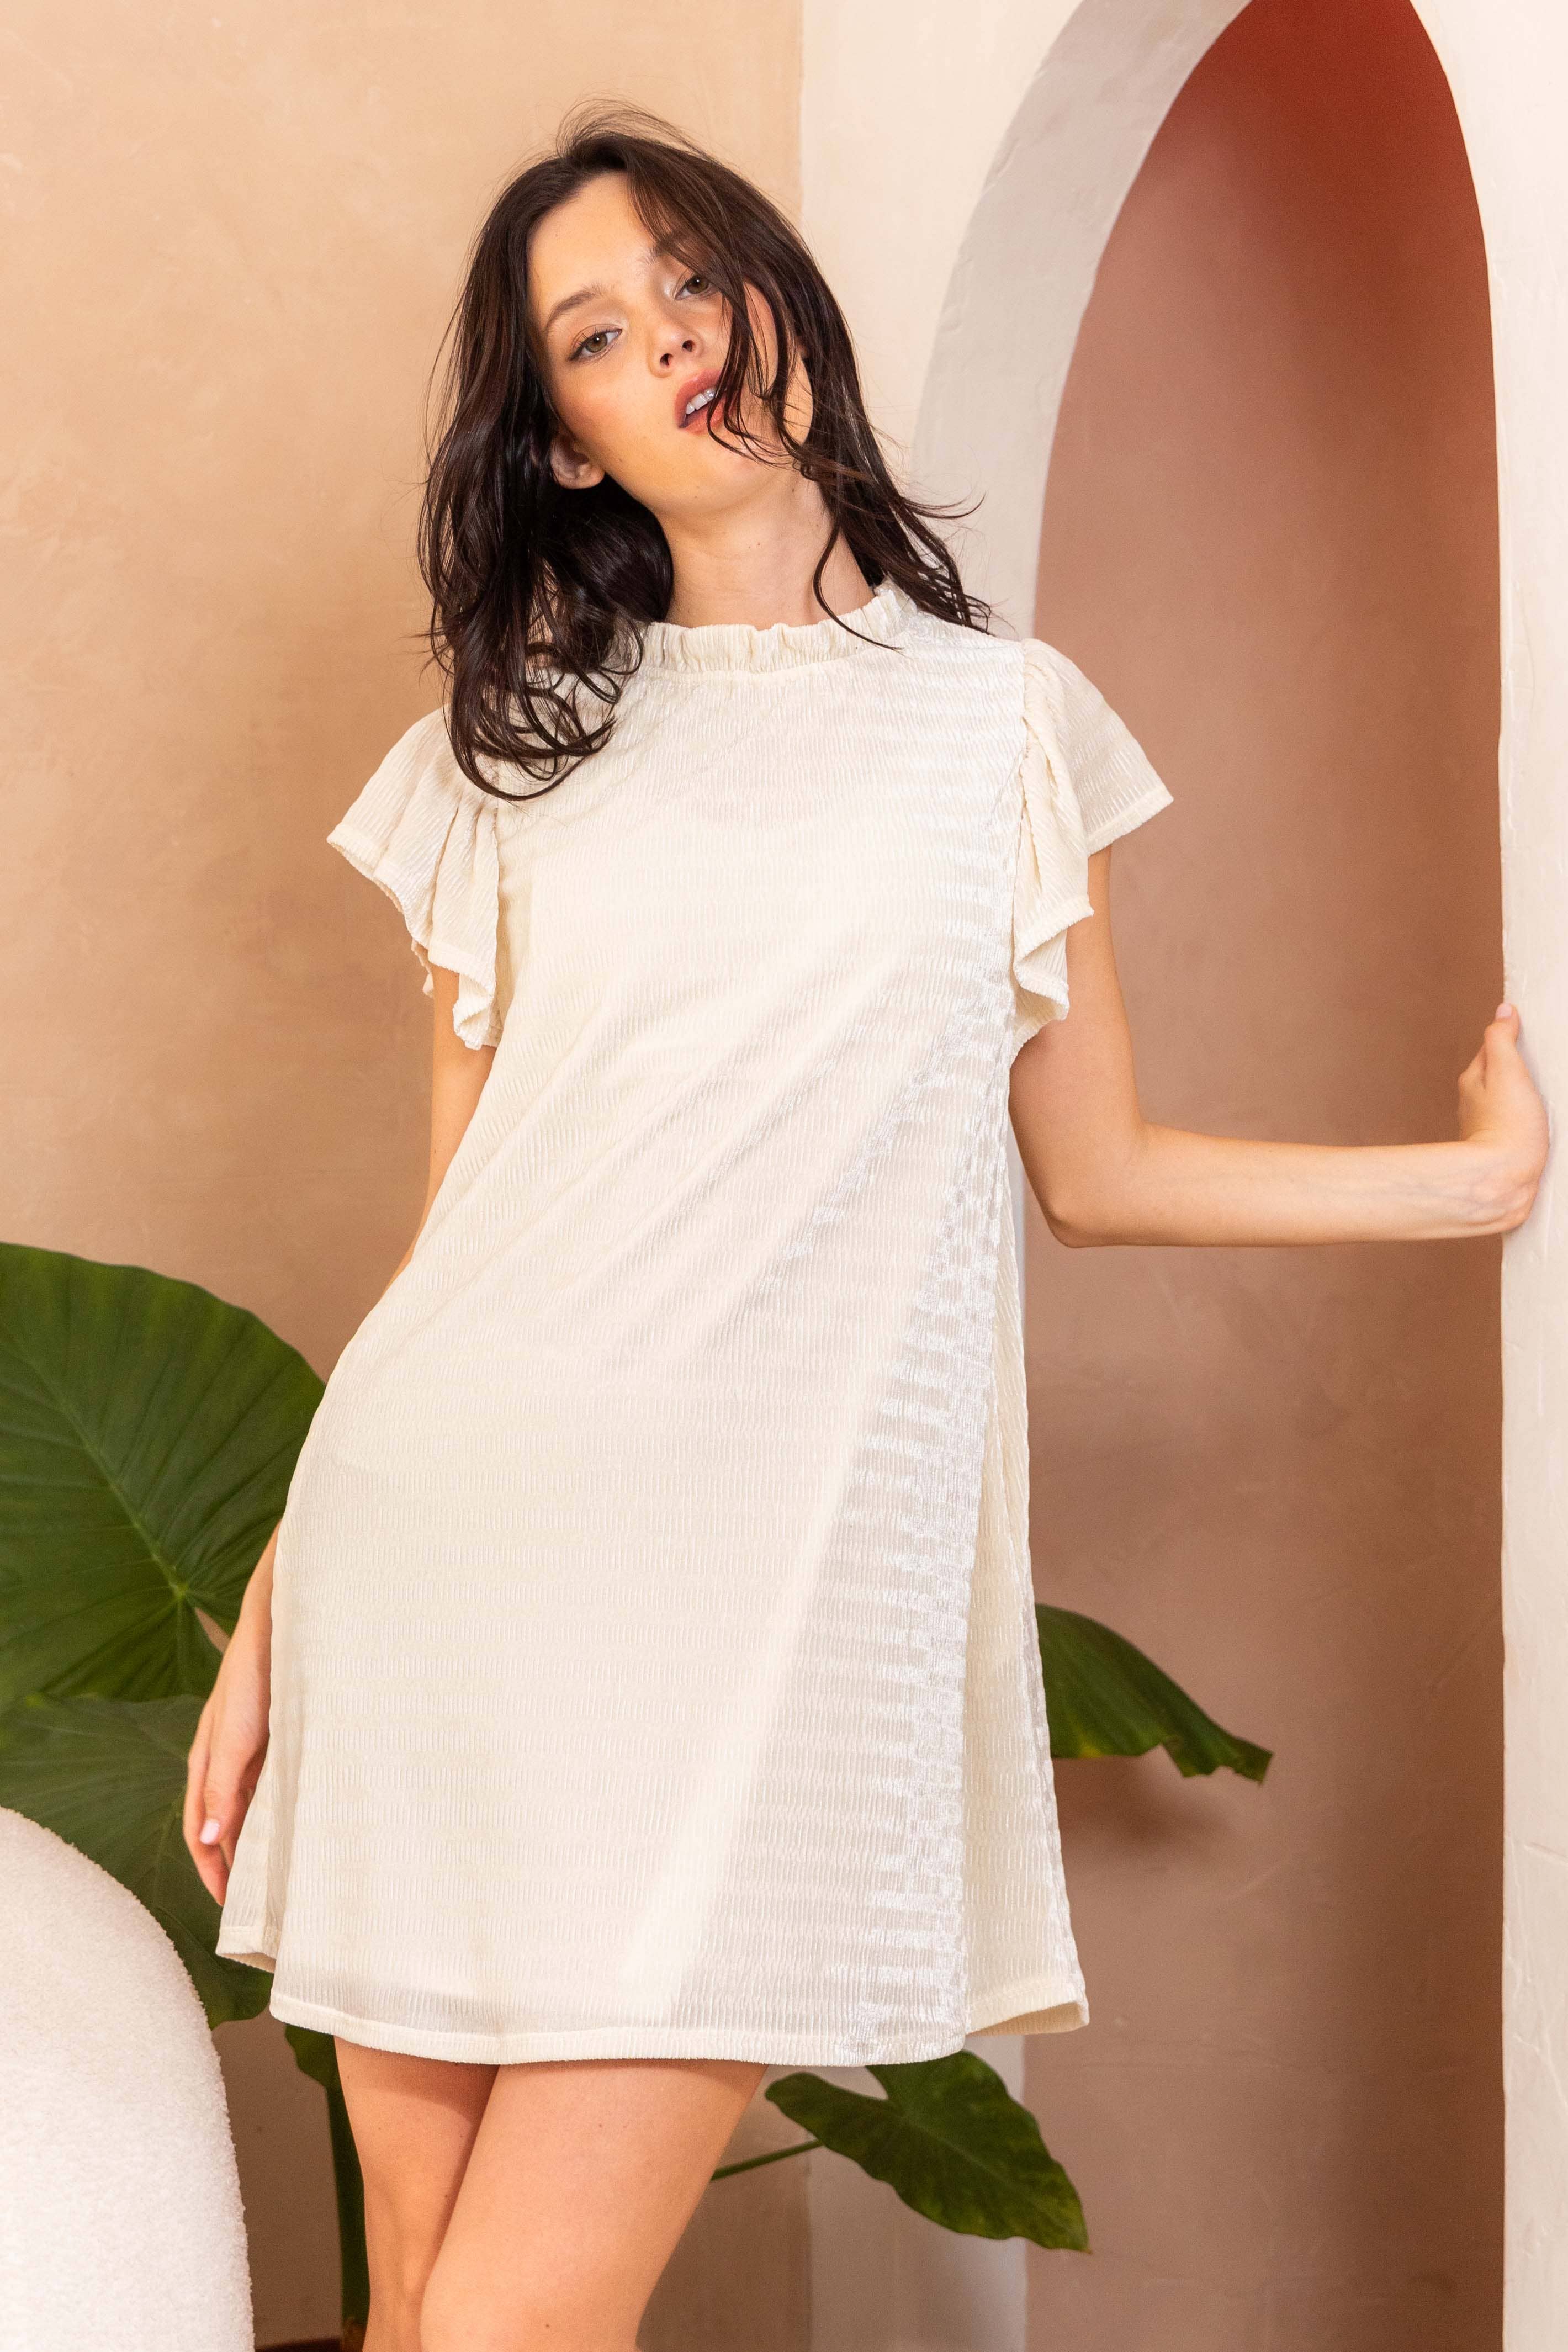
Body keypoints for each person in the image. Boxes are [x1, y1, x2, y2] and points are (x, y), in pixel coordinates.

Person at [182, 109, 1546, 2352]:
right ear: (572, 445)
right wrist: (270, 1615)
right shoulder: (519, 751)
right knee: (422, 2300)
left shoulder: (996, 729)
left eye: (686, 277)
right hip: (440, 1565)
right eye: (595, 336)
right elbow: (460, 1228)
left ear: (769, 300)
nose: (668, 338)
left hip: (754, 1620)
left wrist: (1464, 1182)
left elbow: (1096, 1171)